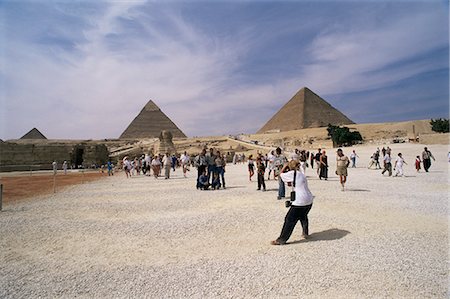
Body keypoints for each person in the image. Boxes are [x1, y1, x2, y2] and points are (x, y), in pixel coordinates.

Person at [271, 160, 314, 245]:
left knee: (289, 219)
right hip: (309, 199)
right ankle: (305, 233)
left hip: (300, 200)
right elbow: (294, 184)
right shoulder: (301, 174)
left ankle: (282, 239)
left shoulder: (292, 173)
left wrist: (284, 167)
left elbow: (279, 174)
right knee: (303, 216)